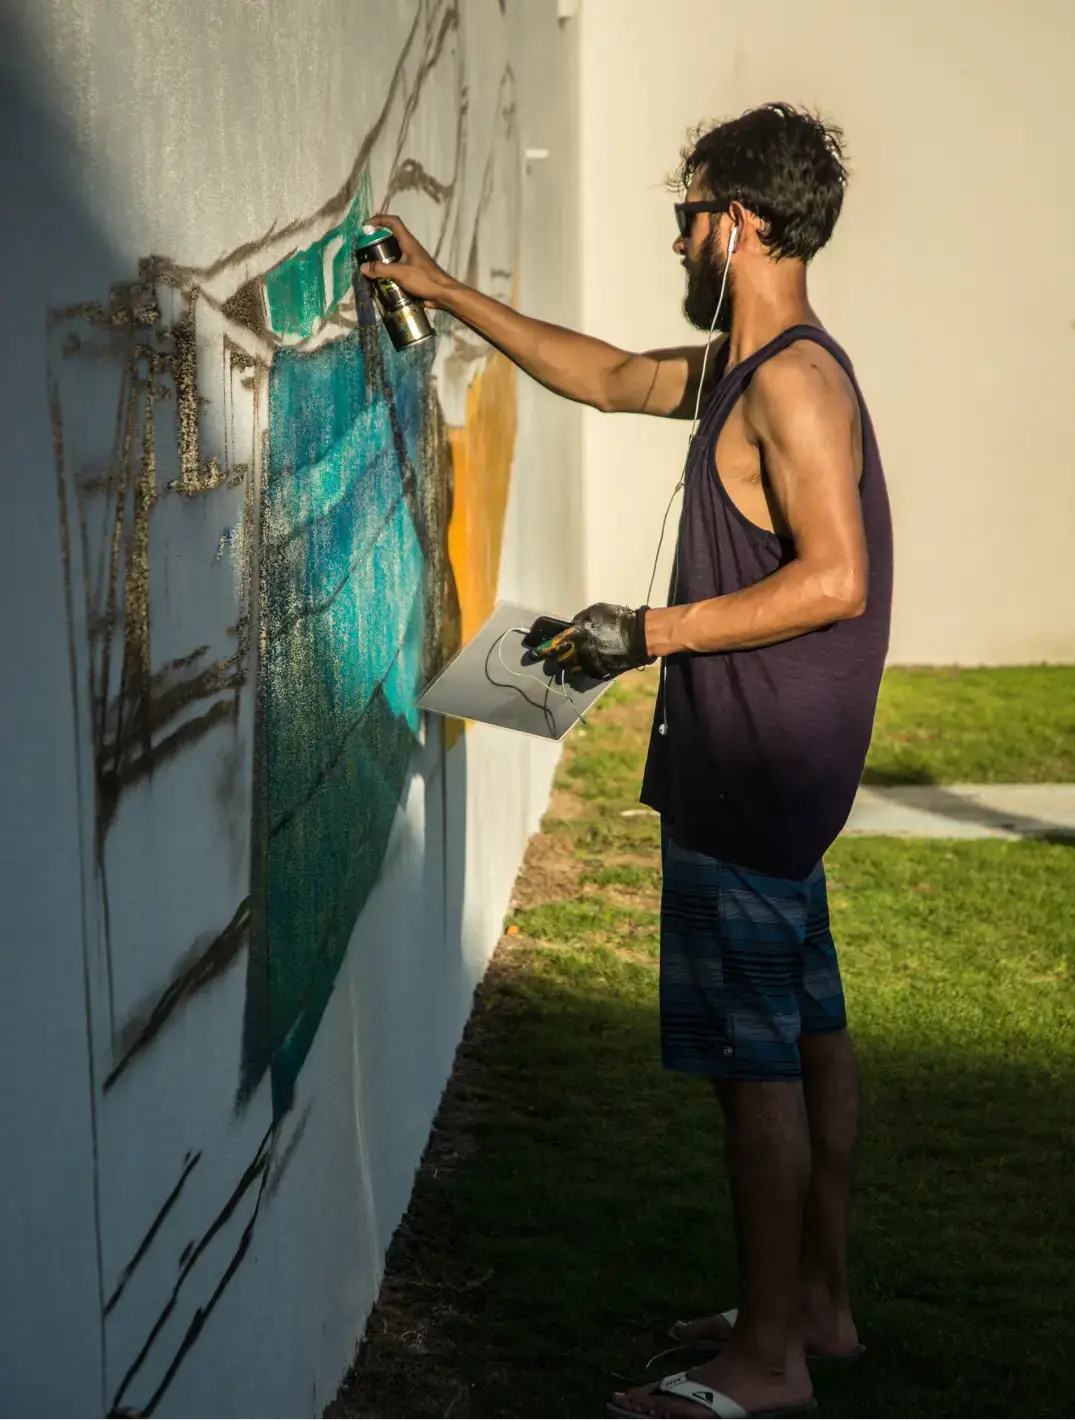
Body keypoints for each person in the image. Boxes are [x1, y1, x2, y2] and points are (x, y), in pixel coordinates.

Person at [362, 101, 892, 1420]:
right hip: (777, 768)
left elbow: (836, 577)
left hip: (752, 768)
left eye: (687, 214)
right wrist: (440, 290)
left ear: (739, 224)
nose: (676, 238)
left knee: (753, 1069)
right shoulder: (745, 367)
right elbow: (603, 375)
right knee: (810, 1037)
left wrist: (640, 635)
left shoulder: (792, 385)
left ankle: (765, 1367)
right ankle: (813, 1308)